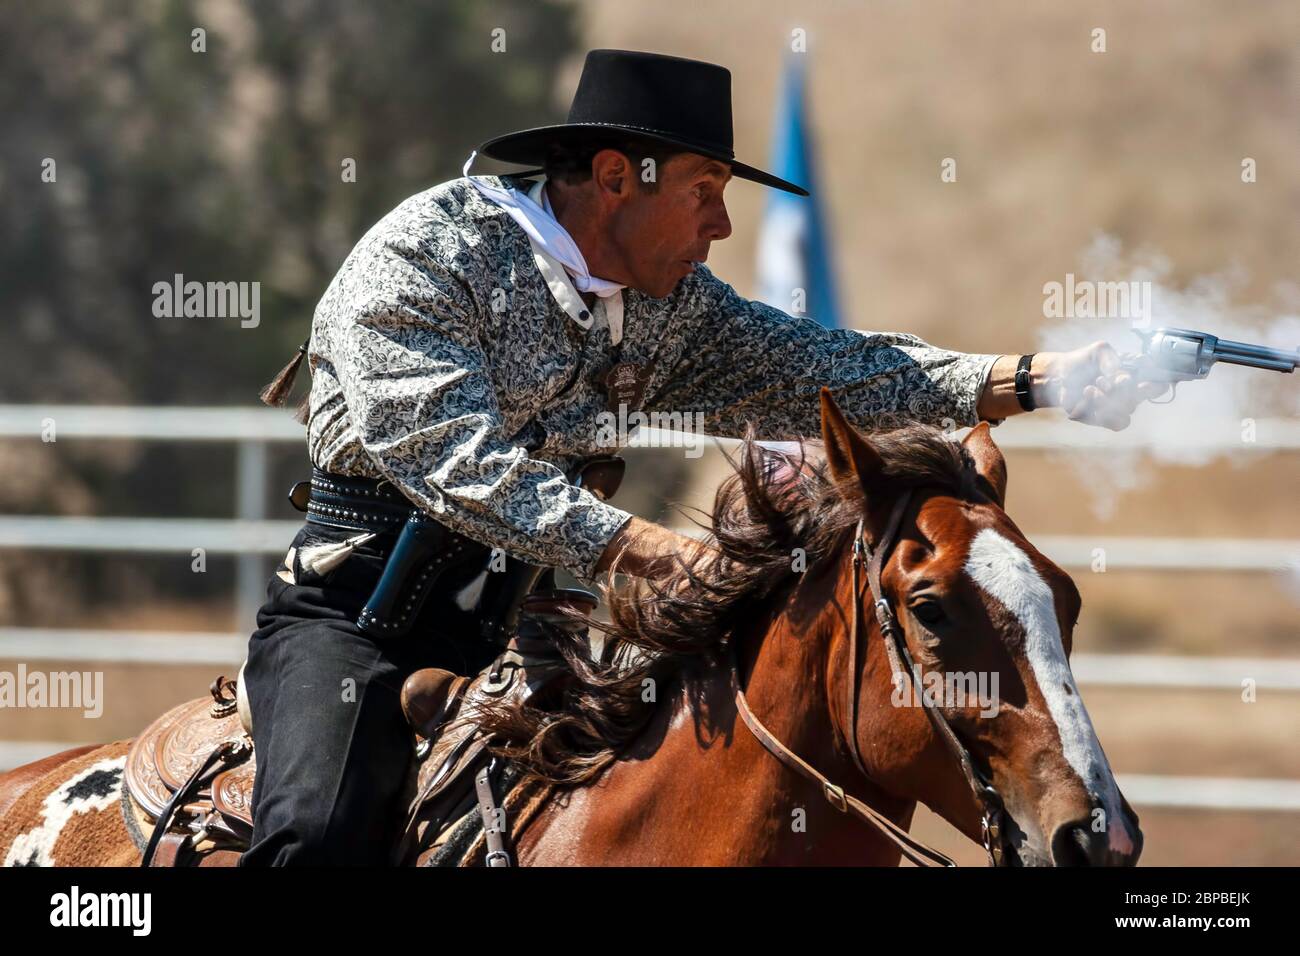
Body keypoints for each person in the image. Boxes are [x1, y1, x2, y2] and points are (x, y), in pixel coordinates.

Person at [238, 49, 1164, 865]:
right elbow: (450, 456)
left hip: (537, 625)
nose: (720, 226)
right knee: (318, 839)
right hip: (362, 621)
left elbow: (826, 369)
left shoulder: (670, 303)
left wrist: (1042, 378)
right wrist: (640, 549)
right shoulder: (425, 258)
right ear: (614, 175)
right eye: (703, 190)